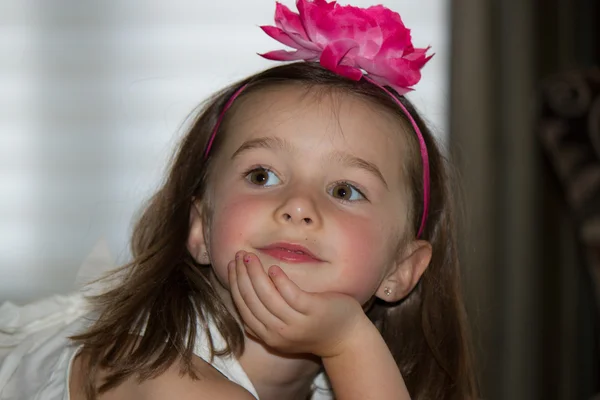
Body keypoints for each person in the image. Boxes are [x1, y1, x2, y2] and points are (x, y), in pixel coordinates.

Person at [0, 0, 478, 399]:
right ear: (199, 230)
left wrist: (349, 348)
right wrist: (350, 341)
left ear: (401, 270)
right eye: (262, 175)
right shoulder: (160, 374)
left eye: (344, 190)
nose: (297, 206)